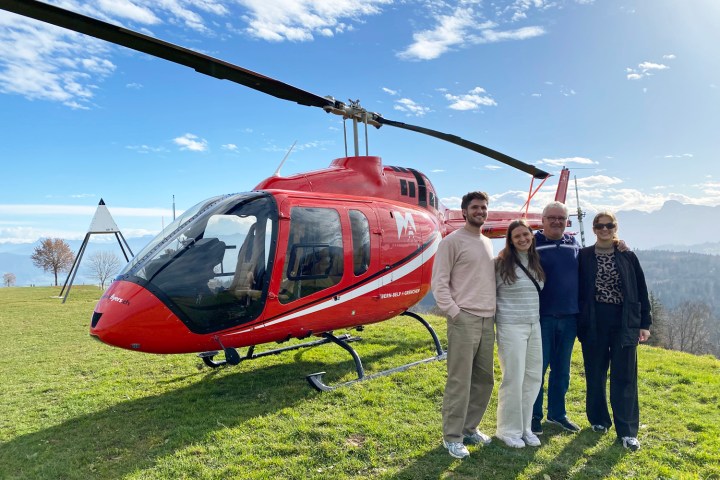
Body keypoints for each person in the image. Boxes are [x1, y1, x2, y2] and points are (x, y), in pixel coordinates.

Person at [578, 211, 651, 451]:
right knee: (595, 373)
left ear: (615, 227)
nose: (604, 229)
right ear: (594, 228)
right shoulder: (584, 255)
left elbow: (641, 289)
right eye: (600, 225)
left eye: (609, 225)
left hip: (624, 321)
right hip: (594, 321)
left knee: (625, 376)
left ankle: (627, 430)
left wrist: (644, 323)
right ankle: (599, 420)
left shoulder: (627, 255)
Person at [432, 191, 496, 459]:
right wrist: (454, 313)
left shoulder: (486, 242)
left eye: (484, 207)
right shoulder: (451, 242)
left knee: (484, 379)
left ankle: (470, 427)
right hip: (464, 318)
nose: (480, 211)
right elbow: (439, 283)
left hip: (487, 319)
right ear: (464, 212)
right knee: (460, 380)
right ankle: (452, 437)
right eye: (475, 207)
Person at [531, 201, 582, 434]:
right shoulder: (532, 243)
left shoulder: (573, 244)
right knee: (537, 369)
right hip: (542, 317)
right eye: (551, 217)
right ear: (542, 220)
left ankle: (557, 414)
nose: (556, 221)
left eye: (561, 218)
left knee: (562, 369)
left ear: (566, 221)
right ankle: (533, 415)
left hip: (570, 317)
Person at [494, 219, 545, 448]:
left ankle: (525, 427)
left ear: (532, 235)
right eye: (517, 236)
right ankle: (507, 430)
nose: (523, 239)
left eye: (526, 234)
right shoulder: (500, 264)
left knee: (533, 377)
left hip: (534, 325)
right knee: (513, 378)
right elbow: (488, 293)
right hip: (510, 326)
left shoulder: (535, 261)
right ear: (511, 241)